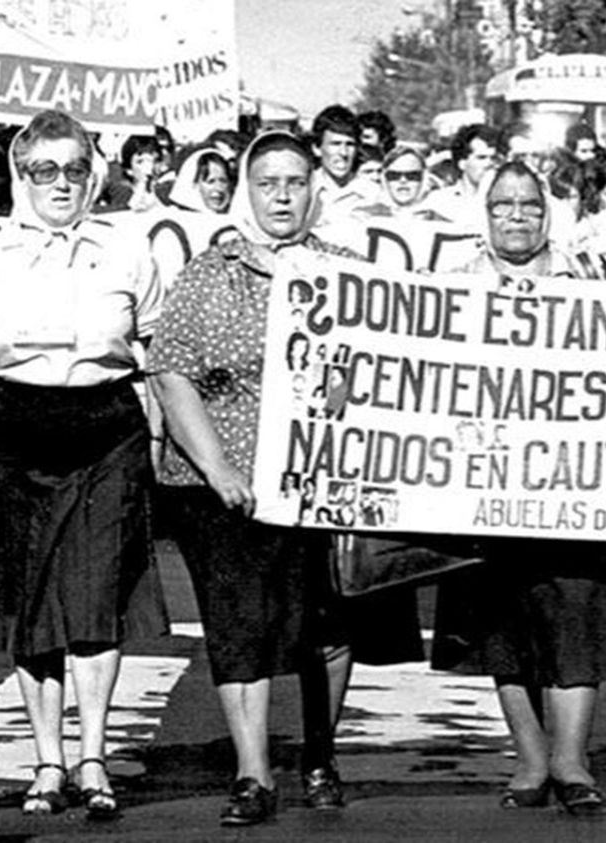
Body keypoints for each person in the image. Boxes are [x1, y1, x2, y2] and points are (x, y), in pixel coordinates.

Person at [148, 130, 421, 826]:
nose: (281, 195)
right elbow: (170, 370)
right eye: (267, 182)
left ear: (314, 189)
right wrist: (218, 468)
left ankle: (322, 754)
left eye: (294, 182)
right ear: (247, 188)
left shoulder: (350, 270)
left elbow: (395, 365)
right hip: (228, 488)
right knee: (240, 628)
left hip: (322, 484)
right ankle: (252, 772)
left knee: (327, 622)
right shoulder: (212, 272)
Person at [0, 109, 169, 819]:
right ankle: (47, 761)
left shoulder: (128, 250)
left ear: (93, 173)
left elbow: (158, 355)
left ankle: (93, 757)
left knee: (98, 597)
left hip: (106, 432)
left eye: (74, 169)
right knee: (32, 608)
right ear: (20, 175)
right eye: (44, 170)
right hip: (11, 435)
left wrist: (158, 444)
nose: (60, 184)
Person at [433, 161, 606, 813]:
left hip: (576, 480)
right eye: (503, 205)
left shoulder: (588, 277)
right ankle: (530, 759)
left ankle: (572, 759)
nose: (517, 217)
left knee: (579, 616)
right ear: (486, 212)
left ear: (547, 212)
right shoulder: (449, 287)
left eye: (529, 205)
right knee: (502, 623)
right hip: (485, 480)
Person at [167, 146, 234, 214]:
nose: (218, 187)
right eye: (211, 181)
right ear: (194, 185)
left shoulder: (238, 219)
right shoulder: (174, 218)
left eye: (223, 181)